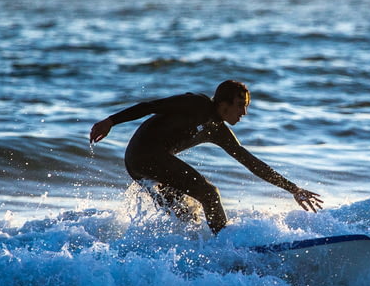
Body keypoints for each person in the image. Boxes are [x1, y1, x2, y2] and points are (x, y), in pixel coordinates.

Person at [89, 80, 323, 233]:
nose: (244, 112)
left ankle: (187, 256)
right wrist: (111, 121)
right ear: (223, 104)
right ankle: (226, 245)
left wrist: (292, 188)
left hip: (142, 163)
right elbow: (150, 106)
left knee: (187, 214)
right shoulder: (195, 104)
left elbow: (250, 161)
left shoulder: (218, 131)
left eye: (247, 106)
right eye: (241, 105)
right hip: (144, 154)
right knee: (210, 193)